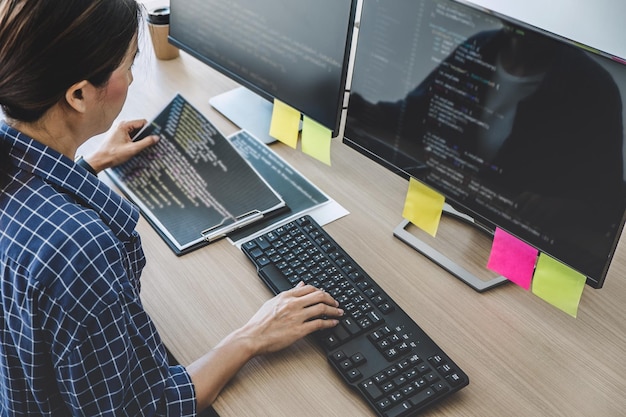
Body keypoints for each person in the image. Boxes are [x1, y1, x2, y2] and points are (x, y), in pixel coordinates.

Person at [0, 1, 343, 415]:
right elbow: (147, 409)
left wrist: (89, 164)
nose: (130, 77)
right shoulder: (79, 247)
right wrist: (251, 336)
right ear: (78, 95)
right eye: (129, 65)